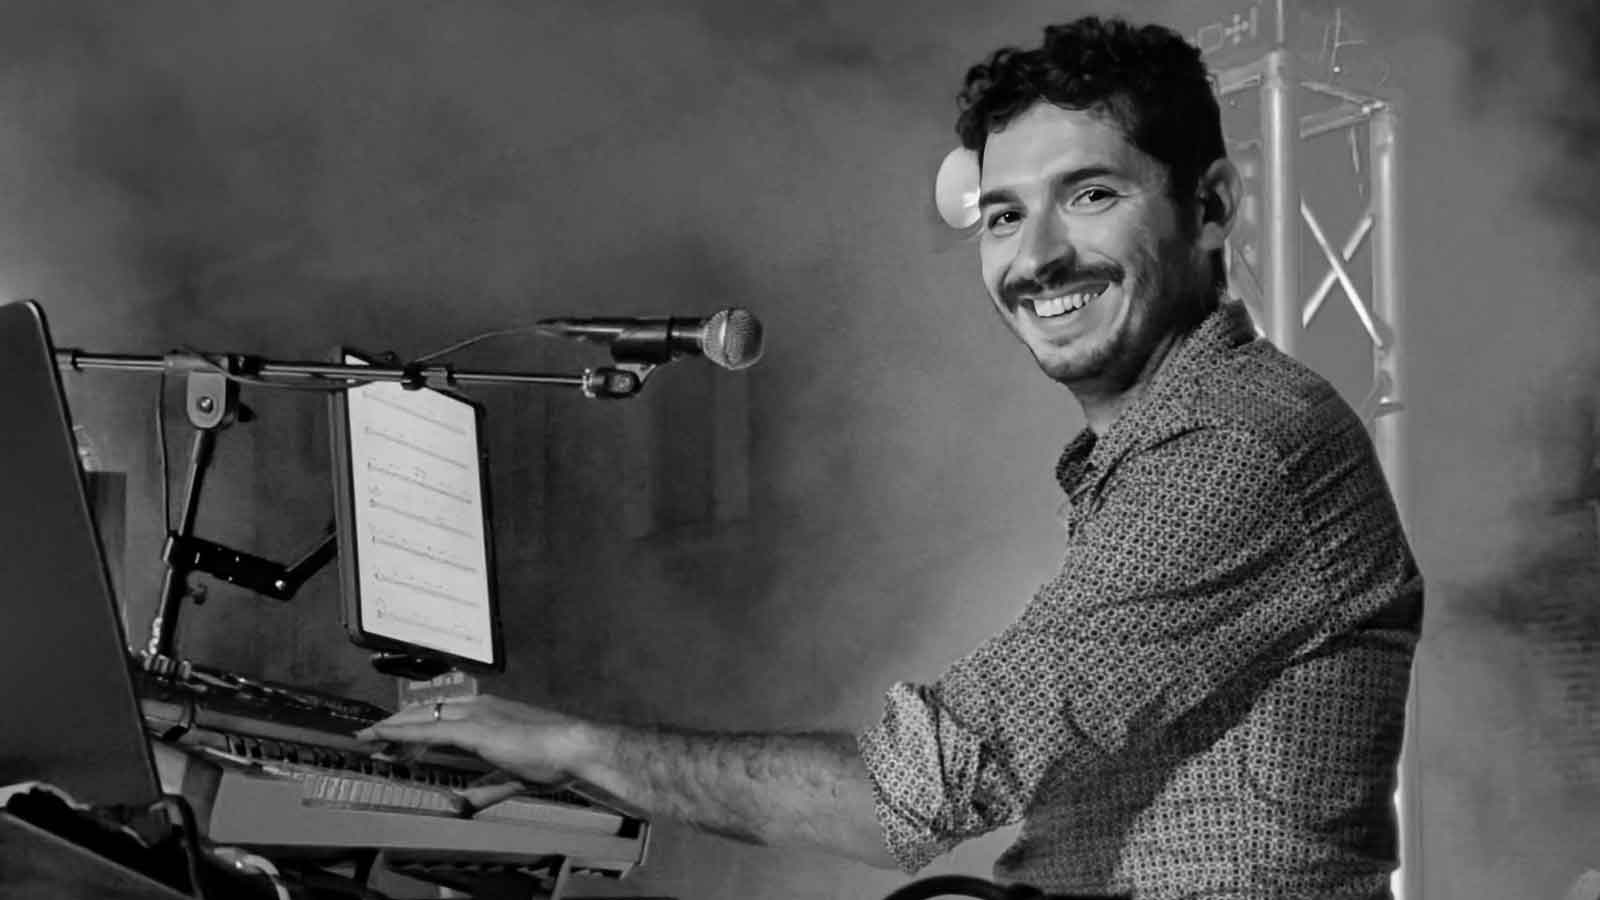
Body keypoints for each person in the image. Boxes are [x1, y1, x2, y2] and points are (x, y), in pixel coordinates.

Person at [359, 15, 1422, 899]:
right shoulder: (1161, 443)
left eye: (1090, 195)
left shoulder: (1232, 444)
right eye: (1004, 215)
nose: (1036, 256)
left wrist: (568, 749)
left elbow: (906, 796)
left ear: (1213, 208)